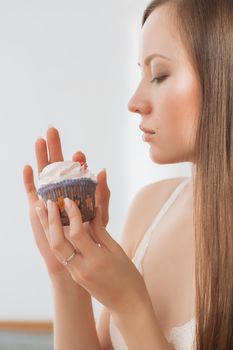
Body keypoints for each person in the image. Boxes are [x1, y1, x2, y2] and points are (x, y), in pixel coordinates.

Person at [22, 0, 233, 349]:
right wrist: (66, 273)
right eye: (141, 73)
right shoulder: (151, 208)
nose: (135, 101)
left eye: (160, 75)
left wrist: (131, 306)